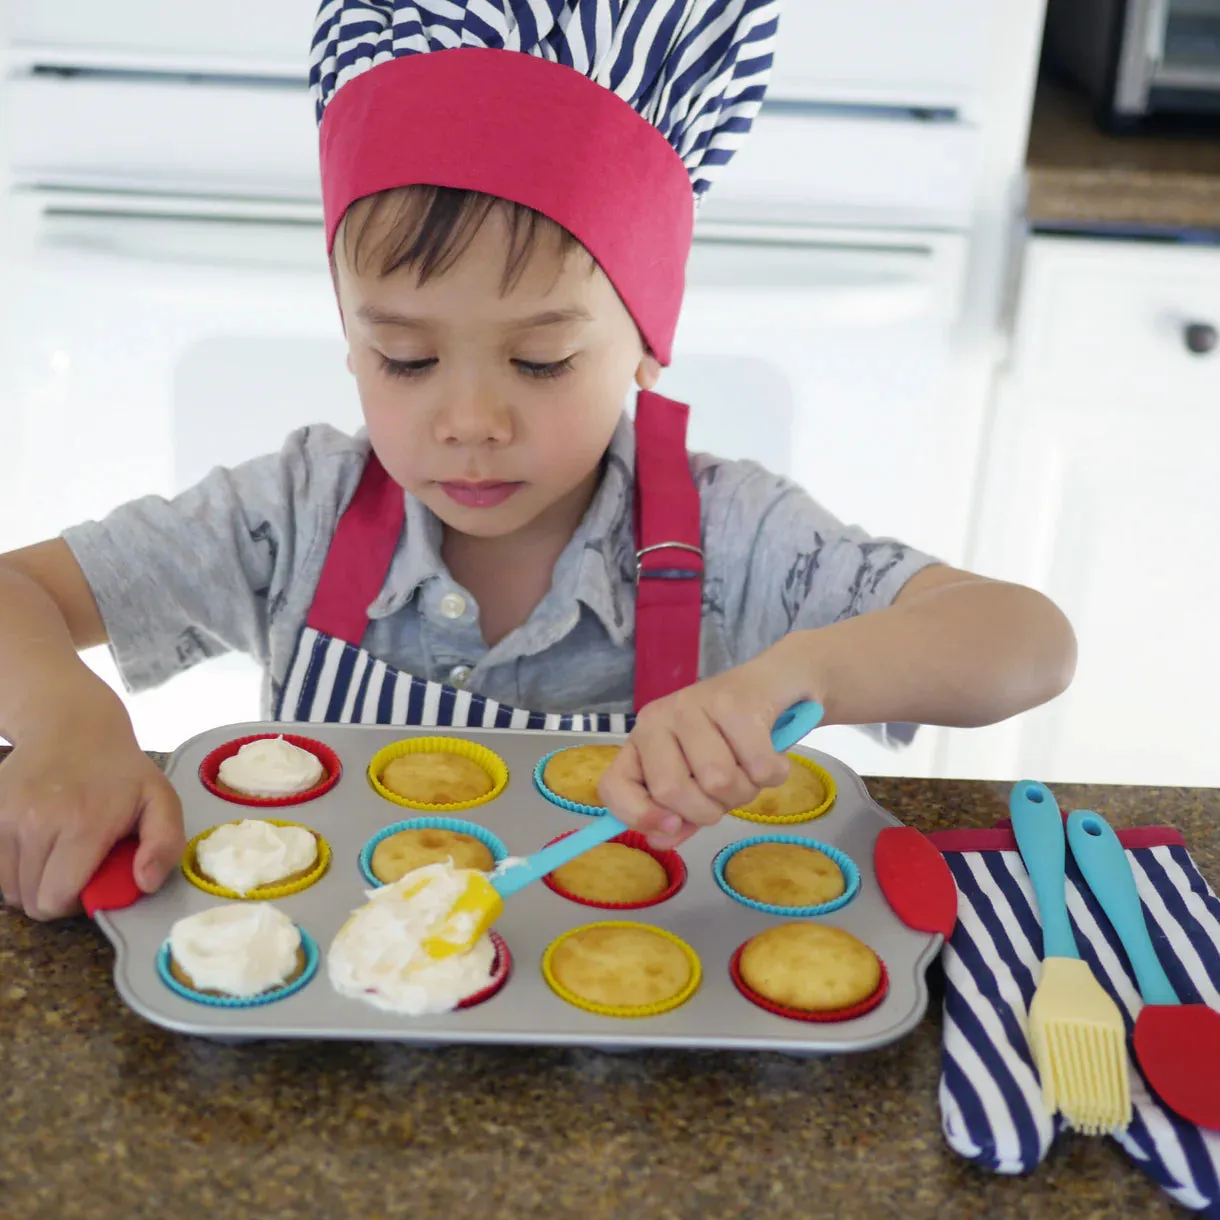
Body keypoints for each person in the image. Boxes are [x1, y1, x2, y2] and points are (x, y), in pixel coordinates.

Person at [0, 0, 1075, 922]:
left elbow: (1026, 641)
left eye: (541, 358)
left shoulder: (726, 536)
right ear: (349, 337)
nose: (470, 418)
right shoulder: (293, 515)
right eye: (406, 357)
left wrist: (801, 673)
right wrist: (64, 712)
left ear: (646, 341)